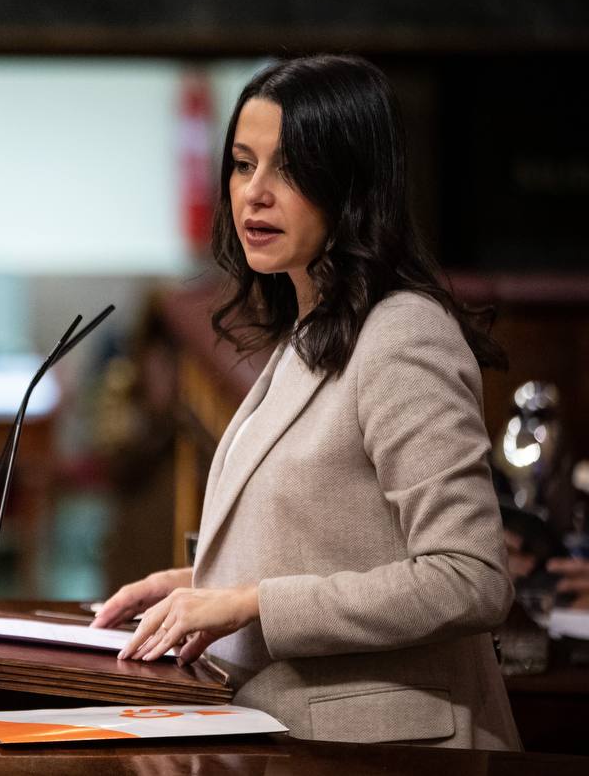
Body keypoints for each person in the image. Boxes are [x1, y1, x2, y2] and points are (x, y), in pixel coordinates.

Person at [92, 55, 519, 749]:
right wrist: (203, 584)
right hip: (295, 736)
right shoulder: (312, 329)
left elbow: (468, 578)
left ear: (350, 185)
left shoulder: (403, 335)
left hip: (391, 753)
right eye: (242, 164)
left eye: (288, 170)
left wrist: (248, 602)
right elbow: (333, 540)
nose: (254, 193)